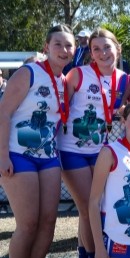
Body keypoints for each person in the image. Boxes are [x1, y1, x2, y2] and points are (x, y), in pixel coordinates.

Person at [0, 24, 74, 258]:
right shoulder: (29, 72)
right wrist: (2, 156)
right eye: (58, 44)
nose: (64, 49)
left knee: (48, 222)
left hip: (49, 157)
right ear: (46, 47)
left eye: (69, 45)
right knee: (28, 224)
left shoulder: (65, 82)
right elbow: (3, 113)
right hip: (18, 155)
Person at [59, 28, 128, 258]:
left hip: (101, 151)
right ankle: (93, 253)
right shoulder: (78, 74)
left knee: (88, 209)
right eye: (96, 49)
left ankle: (83, 251)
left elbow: (123, 110)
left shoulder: (124, 79)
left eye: (107, 47)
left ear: (117, 48)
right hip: (71, 150)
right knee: (90, 208)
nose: (102, 53)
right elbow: (59, 109)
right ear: (90, 53)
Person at [88, 101, 130, 258]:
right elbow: (93, 202)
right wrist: (98, 247)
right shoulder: (110, 152)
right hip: (115, 238)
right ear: (123, 121)